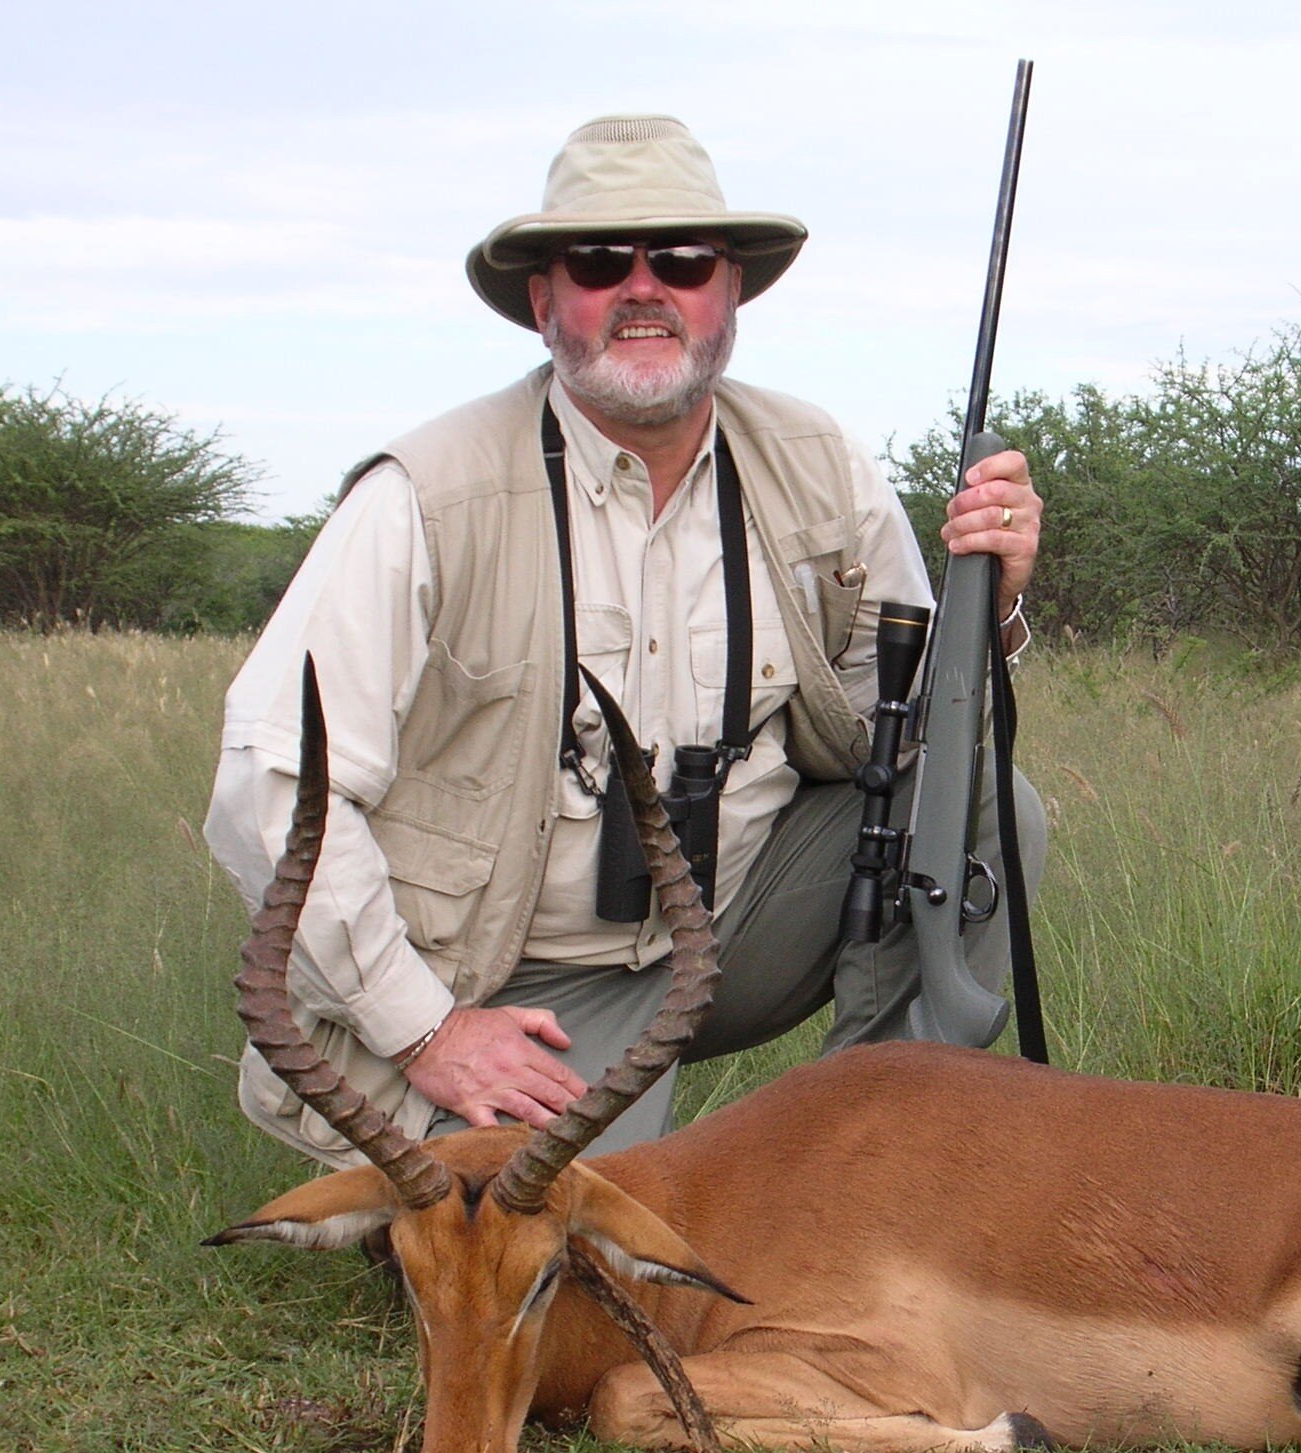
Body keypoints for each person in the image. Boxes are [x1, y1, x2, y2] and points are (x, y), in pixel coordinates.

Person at [205, 114, 1046, 1163]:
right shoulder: (429, 492)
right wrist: (425, 1030)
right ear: (543, 298)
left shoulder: (815, 460)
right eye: (601, 261)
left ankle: (876, 1158)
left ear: (729, 292)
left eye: (685, 260)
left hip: (732, 926)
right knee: (562, 1281)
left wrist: (991, 601)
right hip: (517, 980)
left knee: (981, 797)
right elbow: (269, 782)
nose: (645, 288)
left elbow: (907, 729)